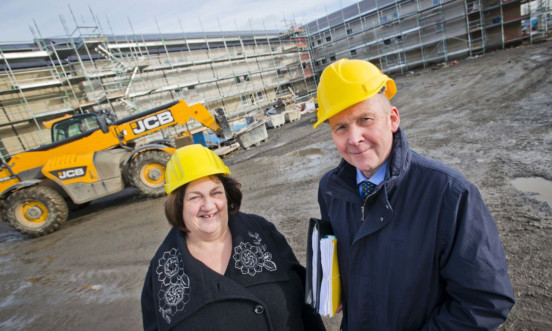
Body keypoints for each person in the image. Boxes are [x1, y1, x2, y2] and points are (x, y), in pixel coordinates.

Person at [313, 59, 515, 330]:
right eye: (341, 127)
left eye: (365, 119)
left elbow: (485, 300)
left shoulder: (448, 193)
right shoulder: (330, 190)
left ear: (392, 119)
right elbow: (336, 258)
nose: (354, 138)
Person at [141, 144, 325, 330]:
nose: (209, 206)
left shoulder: (260, 232)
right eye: (195, 197)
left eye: (216, 193)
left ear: (227, 196)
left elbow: (306, 306)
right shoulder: (162, 272)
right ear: (178, 205)